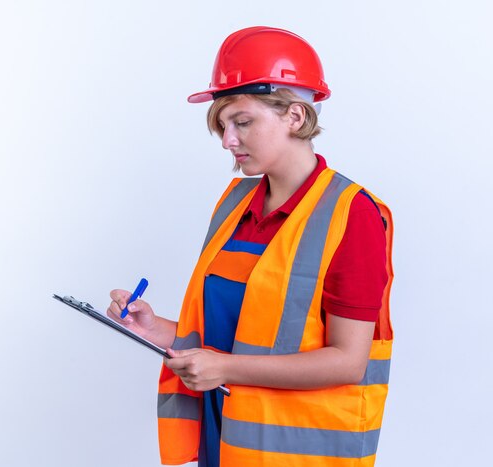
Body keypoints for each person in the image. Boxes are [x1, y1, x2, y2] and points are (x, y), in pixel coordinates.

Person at [107, 26, 394, 467]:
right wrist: (152, 328)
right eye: (222, 126)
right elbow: (235, 335)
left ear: (296, 117)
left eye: (243, 122)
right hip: (225, 445)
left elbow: (348, 362)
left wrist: (225, 368)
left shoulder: (352, 215)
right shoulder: (235, 203)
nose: (228, 141)